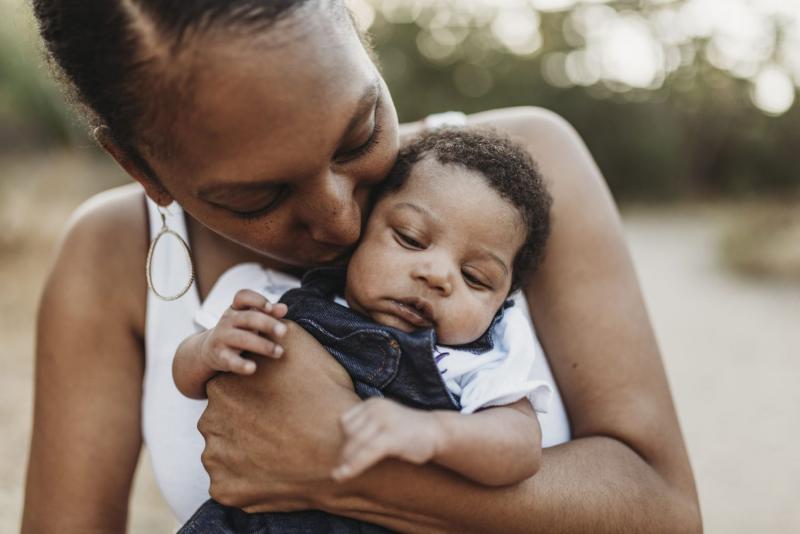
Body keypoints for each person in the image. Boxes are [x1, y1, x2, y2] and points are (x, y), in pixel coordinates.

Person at [22, 1, 701, 532]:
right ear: (141, 168)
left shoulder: (520, 178)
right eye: (260, 196)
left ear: (353, 23)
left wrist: (332, 468)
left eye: (360, 134)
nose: (341, 220)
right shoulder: (109, 257)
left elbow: (664, 513)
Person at [173, 128, 553, 532]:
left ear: (503, 303)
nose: (437, 275)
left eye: (475, 278)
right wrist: (210, 348)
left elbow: (520, 446)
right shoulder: (280, 301)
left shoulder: (473, 362)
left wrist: (438, 433)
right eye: (410, 239)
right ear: (362, 230)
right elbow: (188, 377)